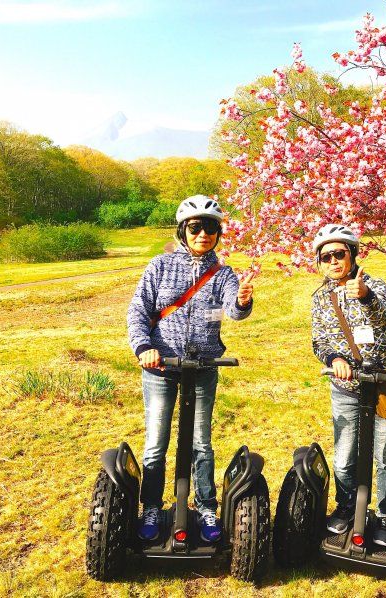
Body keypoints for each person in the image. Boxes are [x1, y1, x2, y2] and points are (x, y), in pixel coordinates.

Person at [127, 195, 255, 543]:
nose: (203, 234)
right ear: (183, 231)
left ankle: (206, 507)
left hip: (203, 365)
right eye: (195, 227)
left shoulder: (224, 273)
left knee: (202, 442)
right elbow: (138, 311)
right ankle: (151, 507)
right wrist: (144, 348)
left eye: (210, 228)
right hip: (161, 366)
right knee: (156, 442)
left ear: (218, 233)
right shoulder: (160, 266)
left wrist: (242, 301)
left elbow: (234, 309)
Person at [310, 223, 386, 547]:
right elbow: (318, 339)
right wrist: (334, 358)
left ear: (352, 254)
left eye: (340, 253)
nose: (334, 261)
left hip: (382, 385)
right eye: (326, 257)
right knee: (344, 457)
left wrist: (364, 296)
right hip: (345, 387)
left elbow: (380, 317)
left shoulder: (373, 285)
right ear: (320, 262)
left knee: (385, 456)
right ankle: (347, 506)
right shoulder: (320, 297)